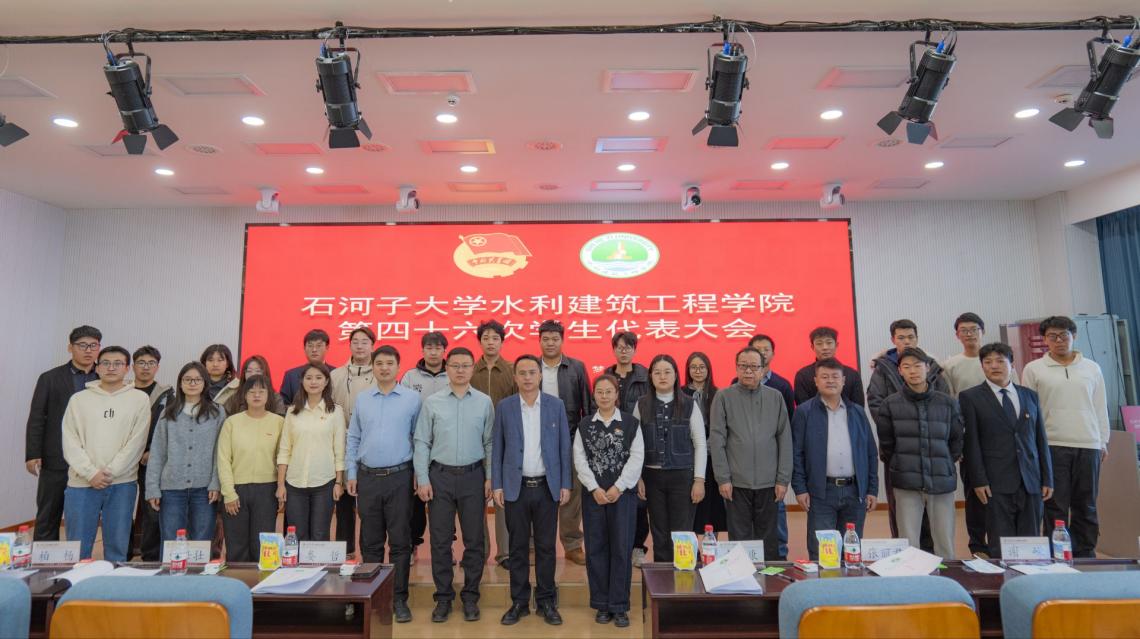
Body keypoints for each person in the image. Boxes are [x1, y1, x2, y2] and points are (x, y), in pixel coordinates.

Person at [413, 347, 494, 623]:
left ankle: (470, 597)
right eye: (455, 365)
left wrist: (489, 477)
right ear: (446, 369)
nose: (460, 370)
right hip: (440, 478)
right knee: (440, 541)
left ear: (473, 369)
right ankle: (443, 598)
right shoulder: (432, 402)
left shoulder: (484, 402)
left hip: (473, 477)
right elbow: (422, 442)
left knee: (475, 540)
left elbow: (489, 443)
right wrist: (423, 479)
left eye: (465, 365)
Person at [492, 354, 570, 627]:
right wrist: (497, 483)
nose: (527, 377)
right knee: (517, 547)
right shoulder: (505, 407)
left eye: (532, 372)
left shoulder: (555, 405)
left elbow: (563, 447)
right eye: (522, 373)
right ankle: (519, 602)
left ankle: (547, 600)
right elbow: (497, 447)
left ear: (540, 375)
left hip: (547, 487)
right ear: (515, 377)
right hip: (516, 488)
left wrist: (565, 483)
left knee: (547, 547)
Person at [1022, 315, 1110, 558]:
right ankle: (1057, 555)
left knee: (1086, 504)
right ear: (1045, 340)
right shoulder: (1034, 369)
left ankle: (1086, 553)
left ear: (1074, 336)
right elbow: (1029, 412)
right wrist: (1033, 447)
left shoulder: (1092, 368)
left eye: (1064, 335)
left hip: (1088, 443)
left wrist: (1102, 441)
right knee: (1055, 505)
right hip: (1052, 445)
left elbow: (1100, 406)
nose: (1059, 340)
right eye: (1052, 336)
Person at [346, 345, 421, 624]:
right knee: (370, 542)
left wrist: (419, 474)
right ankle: (373, 598)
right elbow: (353, 438)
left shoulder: (412, 399)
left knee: (400, 542)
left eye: (390, 363)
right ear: (373, 367)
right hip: (367, 478)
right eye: (379, 363)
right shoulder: (363, 399)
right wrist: (351, 473)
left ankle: (399, 599)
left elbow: (419, 439)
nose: (384, 368)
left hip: (400, 477)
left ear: (398, 367)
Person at [962, 343, 1053, 558]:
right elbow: (971, 443)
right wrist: (978, 480)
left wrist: (1047, 477)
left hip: (1030, 480)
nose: (994, 366)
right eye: (988, 362)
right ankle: (1002, 579)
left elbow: (1040, 439)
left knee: (1031, 541)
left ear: (1012, 364)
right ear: (982, 366)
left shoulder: (1029, 395)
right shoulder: (970, 397)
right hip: (995, 482)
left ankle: (1030, 578)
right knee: (1001, 543)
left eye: (1000, 361)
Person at [61, 346, 151, 560]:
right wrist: (91, 473)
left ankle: (112, 579)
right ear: (97, 368)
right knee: (77, 549)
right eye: (106, 363)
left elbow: (137, 442)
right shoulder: (79, 399)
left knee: (117, 549)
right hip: (82, 482)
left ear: (127, 368)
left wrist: (110, 472)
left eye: (118, 363)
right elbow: (70, 440)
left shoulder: (139, 399)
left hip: (121, 483)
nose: (111, 368)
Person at [940, 313, 1018, 556]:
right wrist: (959, 443)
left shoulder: (1001, 361)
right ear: (957, 335)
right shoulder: (951, 365)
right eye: (964, 330)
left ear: (982, 331)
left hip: (1003, 439)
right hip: (970, 438)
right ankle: (978, 545)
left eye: (974, 329)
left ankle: (1008, 545)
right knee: (975, 495)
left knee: (1005, 494)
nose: (969, 334)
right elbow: (950, 405)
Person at [866, 319, 948, 546]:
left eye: (910, 337)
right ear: (893, 340)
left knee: (935, 513)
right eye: (901, 338)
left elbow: (947, 408)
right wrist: (902, 431)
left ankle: (932, 555)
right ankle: (905, 554)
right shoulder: (883, 368)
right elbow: (876, 404)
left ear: (917, 338)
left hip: (933, 451)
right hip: (899, 450)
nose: (906, 341)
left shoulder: (932, 366)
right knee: (901, 509)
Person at [876, 347, 962, 559]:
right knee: (908, 543)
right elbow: (887, 445)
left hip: (941, 481)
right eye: (906, 367)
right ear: (900, 371)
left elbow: (956, 441)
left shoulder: (947, 403)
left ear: (927, 367)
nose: (913, 371)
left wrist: (943, 463)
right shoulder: (890, 405)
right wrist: (902, 465)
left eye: (917, 365)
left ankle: (946, 580)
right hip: (906, 482)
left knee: (944, 543)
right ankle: (912, 579)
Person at [791, 359, 878, 560]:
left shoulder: (857, 412)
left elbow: (870, 453)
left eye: (835, 376)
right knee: (822, 551)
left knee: (851, 550)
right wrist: (800, 488)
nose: (830, 381)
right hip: (821, 492)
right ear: (816, 381)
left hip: (854, 491)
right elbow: (796, 453)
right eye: (825, 377)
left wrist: (872, 489)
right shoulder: (804, 412)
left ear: (843, 380)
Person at [708, 347, 791, 560]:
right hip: (736, 484)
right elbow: (717, 441)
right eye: (743, 366)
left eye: (754, 367)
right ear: (736, 368)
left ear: (763, 370)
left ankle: (769, 580)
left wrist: (782, 480)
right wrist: (723, 478)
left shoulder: (775, 397)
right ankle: (741, 579)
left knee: (769, 540)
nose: (748, 371)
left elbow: (784, 439)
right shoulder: (723, 397)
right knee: (739, 539)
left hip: (769, 483)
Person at [575, 374, 644, 629]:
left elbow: (637, 458)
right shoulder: (585, 425)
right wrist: (594, 487)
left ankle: (620, 605)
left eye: (609, 391)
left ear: (617, 395)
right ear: (594, 395)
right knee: (596, 549)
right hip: (594, 497)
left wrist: (619, 486)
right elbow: (579, 459)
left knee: (621, 549)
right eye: (599, 392)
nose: (604, 396)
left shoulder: (630, 423)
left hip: (622, 496)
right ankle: (601, 604)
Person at [24, 325, 101, 541]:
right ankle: (43, 557)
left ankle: (80, 557)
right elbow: (37, 417)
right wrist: (33, 453)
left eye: (93, 345)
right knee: (49, 513)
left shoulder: (105, 378)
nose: (88, 350)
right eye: (82, 345)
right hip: (56, 456)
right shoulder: (50, 378)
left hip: (93, 459)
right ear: (70, 348)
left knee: (84, 516)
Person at [633, 354, 706, 563]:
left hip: (683, 477)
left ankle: (686, 577)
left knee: (683, 531)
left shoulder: (689, 404)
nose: (662, 376)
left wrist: (699, 480)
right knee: (659, 532)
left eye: (667, 372)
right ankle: (663, 578)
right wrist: (638, 478)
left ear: (676, 375)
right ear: (650, 376)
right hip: (652, 479)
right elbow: (635, 446)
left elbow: (700, 444)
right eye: (657, 372)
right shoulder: (641, 405)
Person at [145, 362, 225, 551]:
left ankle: (197, 572)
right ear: (180, 383)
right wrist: (152, 488)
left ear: (205, 383)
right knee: (171, 542)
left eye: (197, 379)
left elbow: (220, 452)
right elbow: (157, 452)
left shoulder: (216, 412)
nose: (192, 383)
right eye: (187, 379)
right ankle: (171, 571)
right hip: (171, 488)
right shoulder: (168, 412)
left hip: (204, 489)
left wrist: (216, 483)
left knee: (201, 543)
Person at [538, 319, 592, 566]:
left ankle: (572, 545)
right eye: (546, 339)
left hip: (571, 437)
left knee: (572, 492)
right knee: (537, 490)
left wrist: (587, 439)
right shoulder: (532, 367)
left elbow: (587, 405)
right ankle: (534, 545)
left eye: (555, 339)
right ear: (539, 341)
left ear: (562, 340)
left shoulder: (576, 367)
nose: (550, 343)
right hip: (537, 438)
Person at [217, 374, 284, 563]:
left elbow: (282, 458)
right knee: (236, 545)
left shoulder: (278, 422)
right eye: (251, 391)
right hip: (236, 490)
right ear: (244, 395)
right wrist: (229, 493)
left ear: (268, 395)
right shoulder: (232, 422)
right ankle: (236, 581)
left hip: (267, 490)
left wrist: (280, 488)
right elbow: (223, 459)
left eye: (261, 391)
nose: (256, 395)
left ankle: (260, 581)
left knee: (262, 545)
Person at [276, 364, 346, 541]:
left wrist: (339, 482)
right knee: (297, 535)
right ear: (302, 381)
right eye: (308, 378)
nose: (313, 382)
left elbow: (339, 450)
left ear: (326, 381)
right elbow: (284, 450)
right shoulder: (292, 411)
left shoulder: (335, 411)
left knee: (319, 535)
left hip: (324, 483)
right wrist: (281, 484)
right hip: (294, 483)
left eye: (318, 378)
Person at [470, 320, 517, 571]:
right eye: (486, 338)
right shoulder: (470, 369)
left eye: (495, 338)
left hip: (505, 441)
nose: (490, 342)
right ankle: (480, 552)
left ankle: (505, 552)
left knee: (502, 497)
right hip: (474, 442)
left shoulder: (512, 370)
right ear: (480, 341)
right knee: (475, 499)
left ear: (502, 341)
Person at [603, 331, 651, 566]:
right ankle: (616, 546)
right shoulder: (606, 376)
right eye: (619, 347)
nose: (623, 351)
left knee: (639, 500)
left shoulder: (645, 377)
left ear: (634, 349)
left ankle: (637, 547)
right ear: (613, 349)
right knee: (613, 495)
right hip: (611, 444)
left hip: (638, 441)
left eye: (628, 347)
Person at [401, 331, 450, 560]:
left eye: (438, 348)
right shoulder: (410, 377)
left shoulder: (452, 374)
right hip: (416, 445)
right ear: (422, 350)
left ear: (444, 351)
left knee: (445, 501)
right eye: (429, 348)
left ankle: (447, 546)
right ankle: (413, 543)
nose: (433, 352)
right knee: (415, 502)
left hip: (445, 447)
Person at [331, 326, 378, 561]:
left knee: (368, 505)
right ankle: (345, 551)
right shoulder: (335, 375)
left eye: (364, 342)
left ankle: (369, 553)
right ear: (349, 345)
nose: (360, 346)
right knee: (344, 503)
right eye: (355, 342)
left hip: (370, 445)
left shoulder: (380, 374)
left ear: (372, 346)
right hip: (341, 444)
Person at [749, 334, 793, 559]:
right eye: (757, 349)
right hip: (746, 464)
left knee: (778, 510)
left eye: (766, 349)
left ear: (773, 354)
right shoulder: (737, 383)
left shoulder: (782, 386)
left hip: (773, 462)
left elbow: (788, 426)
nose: (762, 352)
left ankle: (780, 554)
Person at [130, 345, 172, 561]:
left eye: (151, 363)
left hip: (150, 460)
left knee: (152, 511)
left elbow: (166, 429)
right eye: (141, 363)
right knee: (122, 510)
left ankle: (150, 556)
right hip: (123, 461)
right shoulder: (124, 392)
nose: (146, 367)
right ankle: (125, 553)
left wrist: (151, 452)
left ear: (157, 367)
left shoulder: (167, 395)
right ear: (132, 366)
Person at [684, 352, 726, 536]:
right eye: (693, 367)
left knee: (711, 506)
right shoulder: (681, 393)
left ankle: (711, 545)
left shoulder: (718, 393)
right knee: (690, 505)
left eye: (702, 367)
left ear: (708, 369)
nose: (698, 371)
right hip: (688, 456)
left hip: (712, 456)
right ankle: (693, 547)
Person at [793, 326, 865, 406]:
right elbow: (802, 408)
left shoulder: (852, 375)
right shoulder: (803, 376)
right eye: (819, 344)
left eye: (829, 343)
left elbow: (858, 407)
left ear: (836, 345)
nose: (825, 347)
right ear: (812, 347)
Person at [279, 329, 333, 405]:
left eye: (319, 346)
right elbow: (284, 405)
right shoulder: (291, 376)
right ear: (304, 348)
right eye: (310, 346)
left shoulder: (336, 373)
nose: (314, 350)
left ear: (327, 347)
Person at [219, 355, 283, 417]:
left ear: (265, 373)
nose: (253, 374)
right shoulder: (235, 398)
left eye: (258, 371)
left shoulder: (275, 398)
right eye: (249, 371)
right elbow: (224, 418)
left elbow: (280, 420)